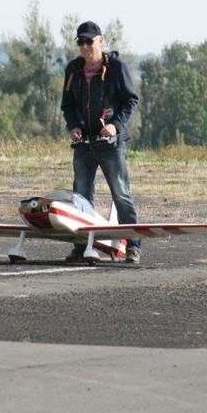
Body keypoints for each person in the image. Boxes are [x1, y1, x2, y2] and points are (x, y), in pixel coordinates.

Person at [60, 20, 142, 264]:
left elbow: (131, 100)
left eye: (89, 41)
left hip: (110, 145)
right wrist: (73, 126)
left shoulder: (116, 67)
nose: (85, 46)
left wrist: (116, 125)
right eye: (81, 41)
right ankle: (81, 246)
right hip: (84, 145)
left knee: (121, 194)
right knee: (80, 197)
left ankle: (133, 246)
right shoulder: (73, 69)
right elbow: (67, 105)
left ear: (101, 41)